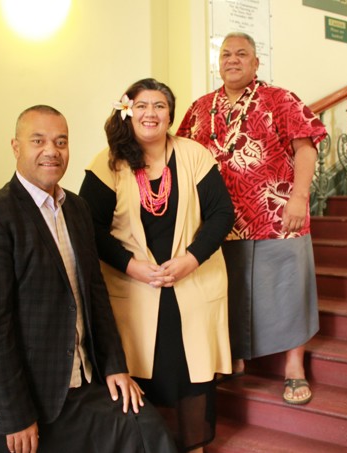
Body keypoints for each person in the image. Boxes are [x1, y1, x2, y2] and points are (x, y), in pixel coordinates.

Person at [0, 105, 177, 453]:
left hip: (82, 382)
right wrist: (15, 414)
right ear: (16, 147)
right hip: (22, 397)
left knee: (147, 430)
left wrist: (114, 367)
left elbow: (94, 293)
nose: (52, 151)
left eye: (61, 142)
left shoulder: (77, 209)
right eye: (38, 141)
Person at [79, 78, 235, 452]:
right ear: (128, 110)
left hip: (191, 283)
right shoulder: (109, 162)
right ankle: (146, 445)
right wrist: (132, 266)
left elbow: (221, 214)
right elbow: (91, 227)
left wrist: (190, 259)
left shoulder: (193, 154)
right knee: (142, 370)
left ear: (170, 114)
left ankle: (194, 445)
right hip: (134, 288)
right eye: (143, 105)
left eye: (160, 106)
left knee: (190, 372)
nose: (151, 113)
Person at [176, 32, 327, 406]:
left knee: (288, 293)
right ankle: (236, 359)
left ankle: (294, 368)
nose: (232, 60)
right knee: (232, 293)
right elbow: (178, 155)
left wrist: (299, 196)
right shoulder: (200, 107)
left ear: (256, 62)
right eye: (226, 54)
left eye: (241, 54)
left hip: (278, 215)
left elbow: (305, 147)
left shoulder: (279, 99)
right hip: (220, 221)